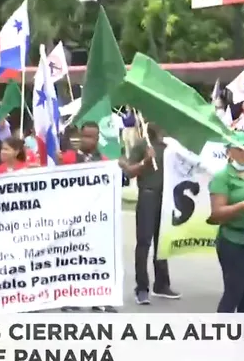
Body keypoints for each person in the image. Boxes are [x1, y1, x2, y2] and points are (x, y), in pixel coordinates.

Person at [206, 132, 244, 312]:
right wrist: (241, 206)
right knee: (234, 292)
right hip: (233, 241)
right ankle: (221, 333)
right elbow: (216, 214)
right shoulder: (222, 177)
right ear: (229, 152)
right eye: (239, 149)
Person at [59, 122, 116, 313]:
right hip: (72, 216)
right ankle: (70, 298)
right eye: (84, 136)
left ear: (98, 138)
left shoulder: (105, 161)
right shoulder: (67, 158)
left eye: (91, 137)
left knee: (96, 259)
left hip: (95, 217)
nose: (87, 140)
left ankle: (98, 299)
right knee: (72, 259)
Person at [121, 122, 179, 305]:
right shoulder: (141, 145)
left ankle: (162, 284)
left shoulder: (171, 147)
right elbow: (129, 172)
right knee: (144, 242)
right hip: (148, 196)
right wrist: (145, 161)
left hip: (166, 198)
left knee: (162, 241)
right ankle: (141, 288)